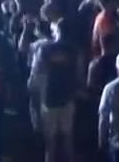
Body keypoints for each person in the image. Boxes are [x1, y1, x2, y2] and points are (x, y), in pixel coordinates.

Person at [29, 17, 80, 162]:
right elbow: (78, 74)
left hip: (48, 98)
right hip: (67, 98)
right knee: (68, 138)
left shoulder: (44, 49)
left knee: (50, 143)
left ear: (57, 30)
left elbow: (38, 73)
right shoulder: (73, 50)